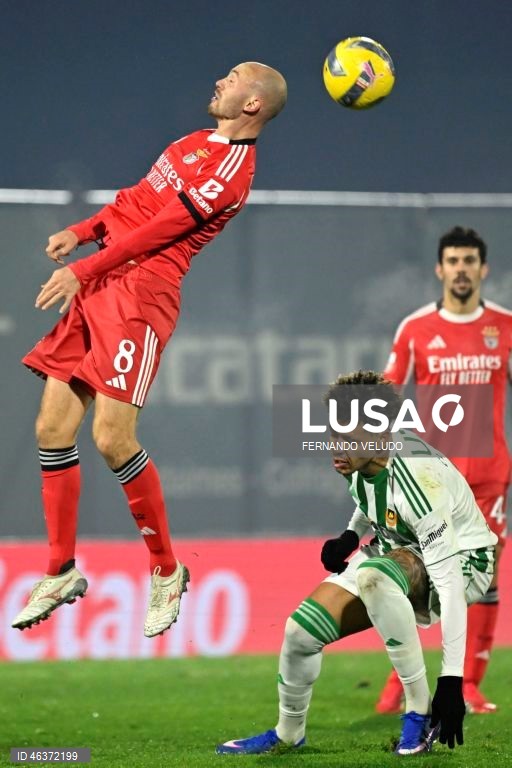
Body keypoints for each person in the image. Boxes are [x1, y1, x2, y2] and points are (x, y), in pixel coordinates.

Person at [12, 62, 287, 638]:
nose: (219, 80)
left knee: (112, 438)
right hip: (103, 279)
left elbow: (157, 231)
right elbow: (133, 202)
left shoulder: (232, 174)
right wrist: (84, 230)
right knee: (51, 428)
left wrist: (83, 268)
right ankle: (60, 569)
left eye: (233, 78)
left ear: (253, 104)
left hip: (140, 294)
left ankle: (166, 570)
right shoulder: (191, 142)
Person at [216, 371, 497, 756]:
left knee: (374, 578)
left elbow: (449, 586)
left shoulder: (419, 478)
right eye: (332, 433)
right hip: (400, 547)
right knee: (300, 632)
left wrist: (452, 681)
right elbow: (373, 496)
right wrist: (351, 534)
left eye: (345, 436)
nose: (335, 445)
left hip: (465, 562)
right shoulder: (363, 460)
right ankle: (288, 733)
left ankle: (419, 711)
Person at [376, 226, 511, 715]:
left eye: (469, 261)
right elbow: (386, 396)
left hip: (490, 470)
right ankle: (399, 682)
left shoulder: (505, 325)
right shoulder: (415, 329)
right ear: (440, 269)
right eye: (452, 260)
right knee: (418, 574)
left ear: (482, 269)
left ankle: (470, 685)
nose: (461, 269)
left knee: (486, 571)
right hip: (432, 476)